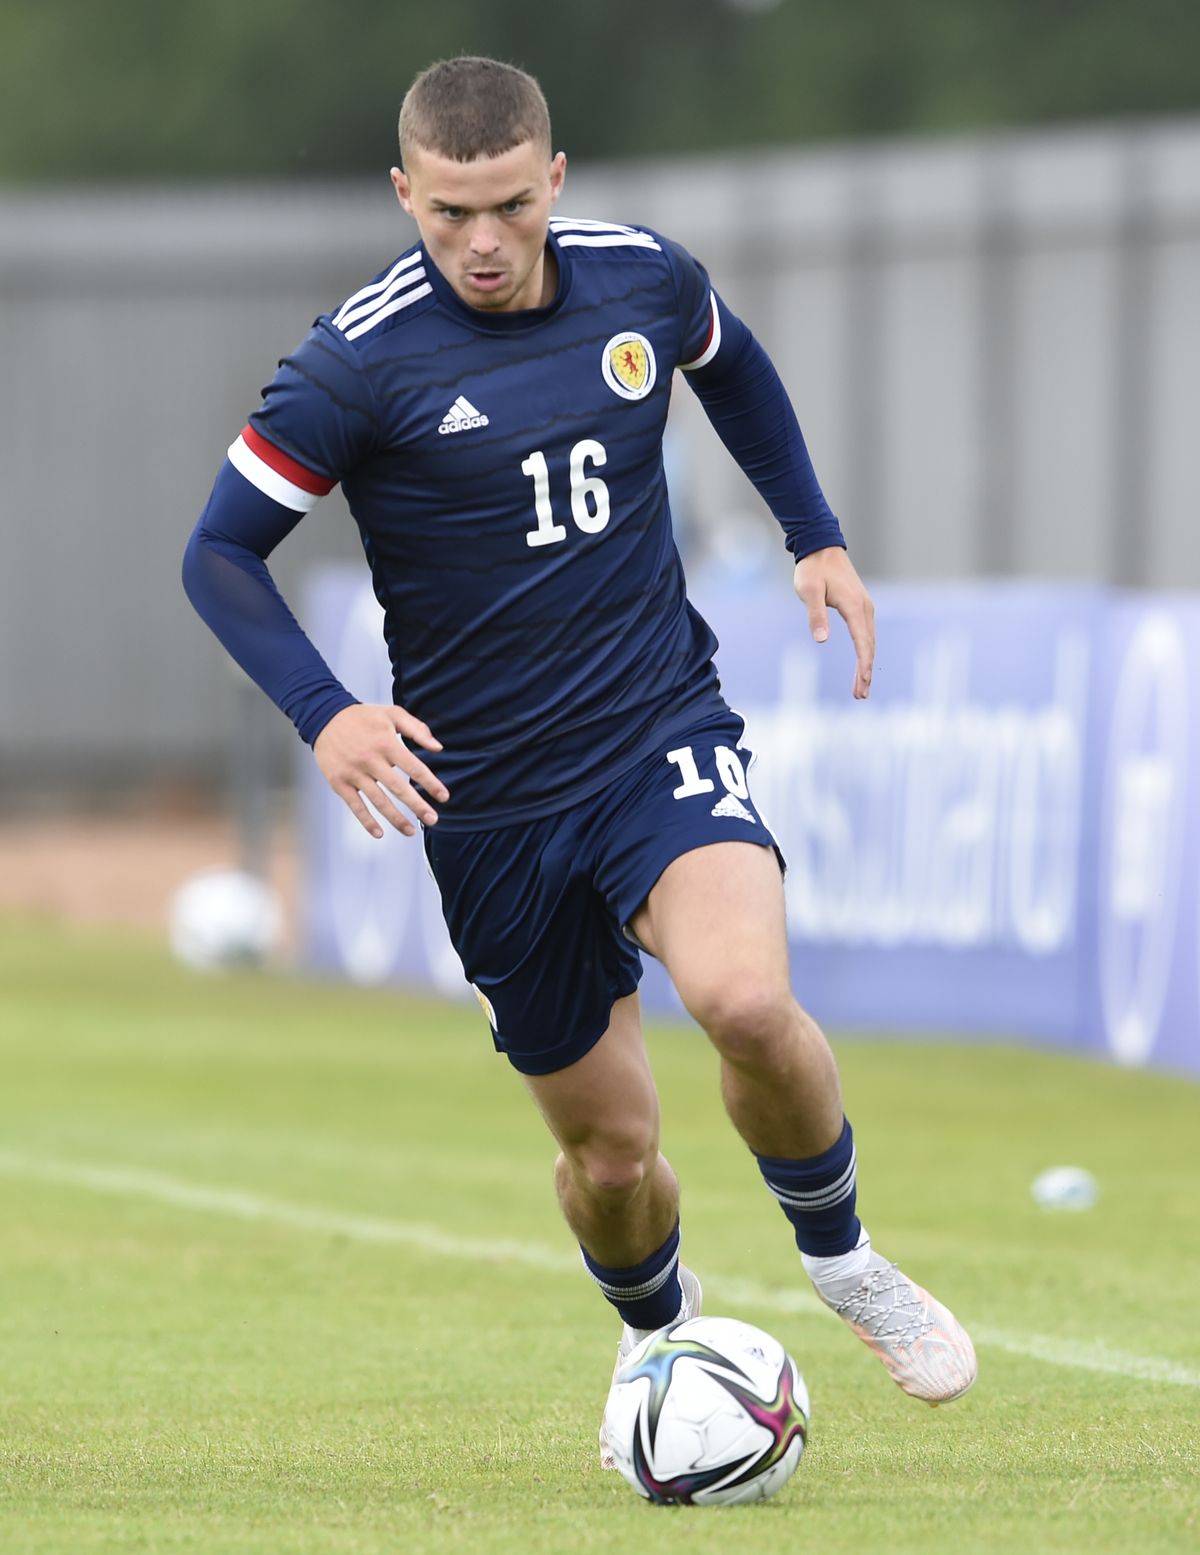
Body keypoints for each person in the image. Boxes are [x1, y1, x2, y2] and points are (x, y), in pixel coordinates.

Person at [183, 55, 976, 1458]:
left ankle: (844, 1257)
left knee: (741, 996)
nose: (480, 244)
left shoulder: (642, 282)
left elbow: (736, 371)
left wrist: (817, 537)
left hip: (650, 728)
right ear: (404, 195)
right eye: (446, 216)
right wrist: (330, 711)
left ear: (553, 178)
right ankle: (658, 1336)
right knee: (610, 1156)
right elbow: (219, 557)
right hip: (485, 804)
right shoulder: (356, 363)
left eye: (505, 207)